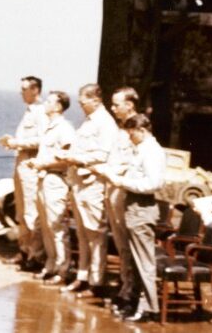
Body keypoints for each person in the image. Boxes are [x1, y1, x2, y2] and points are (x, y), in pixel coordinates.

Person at [95, 113, 165, 323]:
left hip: (142, 208)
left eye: (132, 133)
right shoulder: (141, 149)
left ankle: (149, 308)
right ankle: (138, 303)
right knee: (136, 262)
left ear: (142, 130)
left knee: (144, 263)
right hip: (134, 208)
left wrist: (120, 182)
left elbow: (153, 183)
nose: (129, 137)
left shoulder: (151, 151)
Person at [57, 83, 118, 296]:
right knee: (82, 234)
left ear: (95, 100)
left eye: (83, 102)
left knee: (95, 235)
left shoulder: (105, 124)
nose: (81, 106)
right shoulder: (89, 121)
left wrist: (75, 158)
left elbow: (103, 155)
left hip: (93, 184)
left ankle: (96, 281)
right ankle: (82, 276)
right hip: (79, 183)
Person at [25, 90, 75, 284]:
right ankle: (51, 264)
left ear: (58, 106)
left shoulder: (64, 129)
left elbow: (66, 161)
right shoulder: (50, 127)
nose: (45, 103)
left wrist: (43, 164)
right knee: (46, 225)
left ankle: (63, 268)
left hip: (55, 180)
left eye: (49, 101)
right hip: (44, 179)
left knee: (56, 225)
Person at [0, 75, 47, 272]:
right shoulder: (29, 112)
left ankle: (34, 255)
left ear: (35, 90)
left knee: (30, 211)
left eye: (24, 89)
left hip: (31, 165)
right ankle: (24, 249)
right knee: (21, 210)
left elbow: (41, 140)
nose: (21, 93)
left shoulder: (41, 112)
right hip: (22, 163)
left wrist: (17, 143)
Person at [99, 85, 140, 310]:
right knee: (120, 243)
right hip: (112, 189)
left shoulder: (137, 128)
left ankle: (130, 291)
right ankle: (125, 286)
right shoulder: (121, 128)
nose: (113, 108)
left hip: (123, 191)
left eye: (116, 104)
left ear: (129, 105)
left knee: (126, 243)